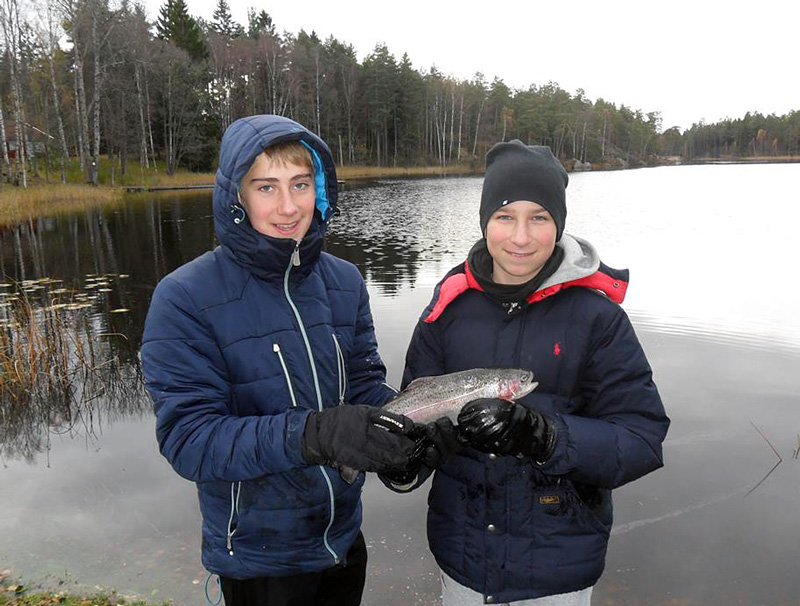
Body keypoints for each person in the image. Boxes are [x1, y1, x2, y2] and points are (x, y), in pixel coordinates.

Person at [141, 114, 419, 606]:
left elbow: (363, 386)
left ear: (321, 189)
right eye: (266, 187)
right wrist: (312, 435)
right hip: (259, 560)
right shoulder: (184, 296)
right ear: (237, 198)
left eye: (301, 184)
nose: (288, 207)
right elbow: (190, 440)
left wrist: (407, 432)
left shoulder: (345, 281)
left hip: (342, 540)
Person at [391, 140, 670, 605]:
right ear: (485, 223)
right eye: (505, 217)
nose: (520, 238)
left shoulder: (597, 319)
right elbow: (416, 430)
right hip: (462, 563)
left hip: (556, 572)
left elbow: (642, 440)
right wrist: (403, 459)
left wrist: (546, 438)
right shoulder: (446, 311)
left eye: (538, 217)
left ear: (558, 225)